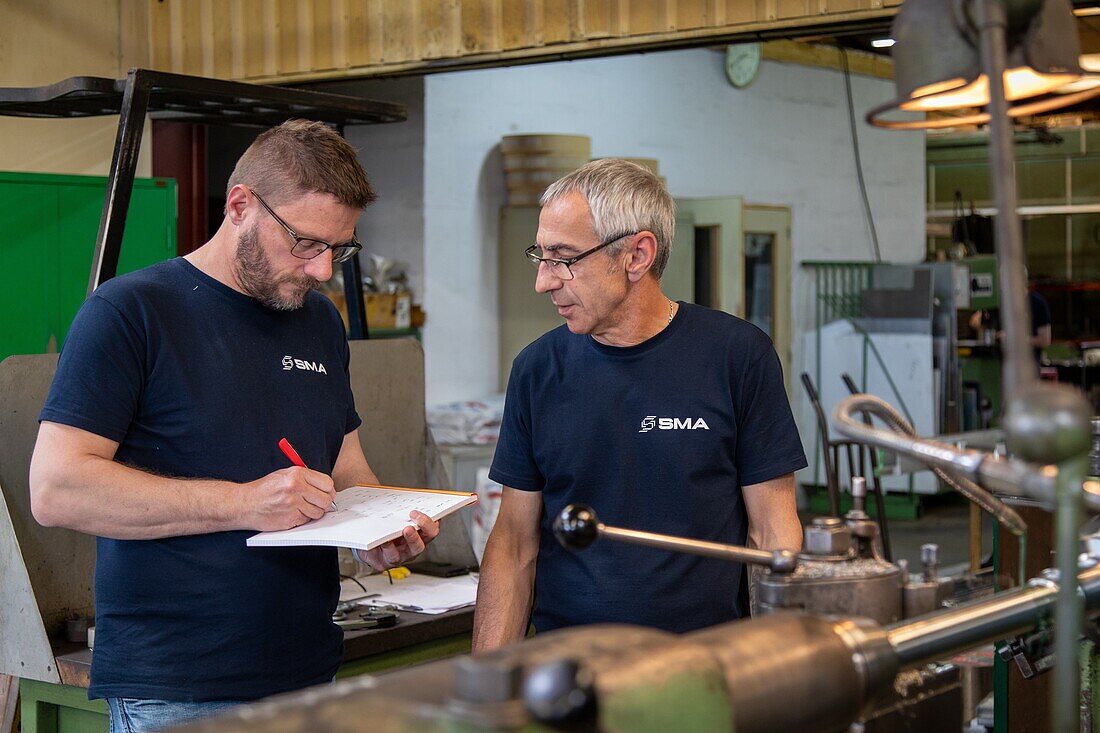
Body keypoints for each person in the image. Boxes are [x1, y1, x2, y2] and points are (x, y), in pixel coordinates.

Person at [28, 120, 438, 732]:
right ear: (241, 206)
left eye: (339, 248)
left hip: (309, 675)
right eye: (306, 243)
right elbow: (56, 489)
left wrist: (378, 527)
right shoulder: (130, 314)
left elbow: (344, 464)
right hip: (178, 690)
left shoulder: (318, 322)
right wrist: (245, 503)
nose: (324, 269)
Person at [472, 159, 806, 651]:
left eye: (563, 258)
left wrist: (778, 670)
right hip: (568, 670)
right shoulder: (537, 369)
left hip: (703, 667)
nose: (543, 281)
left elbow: (772, 532)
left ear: (636, 255)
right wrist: (487, 688)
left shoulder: (737, 357)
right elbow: (514, 544)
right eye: (539, 256)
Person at [968, 287, 1052, 363]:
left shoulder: (1037, 303)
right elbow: (974, 322)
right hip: (1002, 362)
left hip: (1028, 365)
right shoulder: (1002, 302)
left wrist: (1014, 339)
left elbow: (1045, 340)